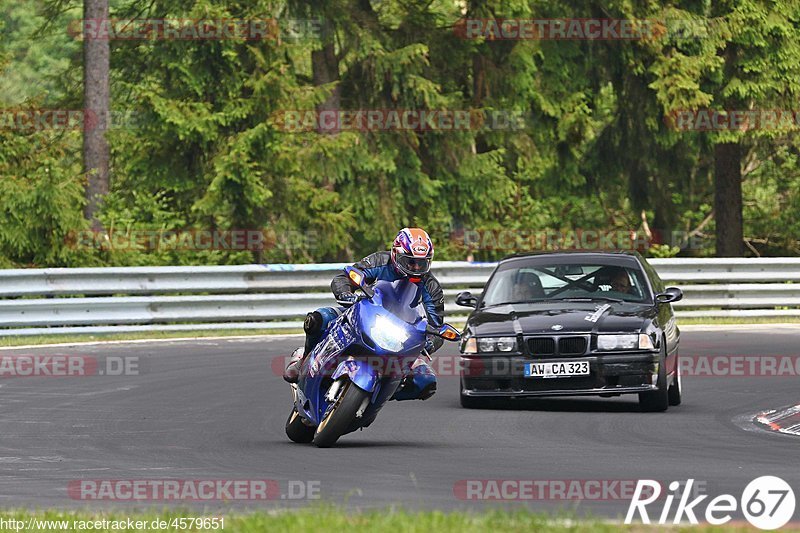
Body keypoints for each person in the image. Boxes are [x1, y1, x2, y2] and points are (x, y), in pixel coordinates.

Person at [283, 228, 444, 401]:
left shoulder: (431, 286)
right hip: (365, 312)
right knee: (318, 319)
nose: (416, 267)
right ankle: (303, 360)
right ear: (396, 254)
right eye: (410, 262)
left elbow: (437, 327)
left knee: (426, 381)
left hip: (403, 335)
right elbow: (344, 277)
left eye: (422, 263)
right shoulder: (381, 261)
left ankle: (377, 397)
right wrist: (346, 293)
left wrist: (429, 343)